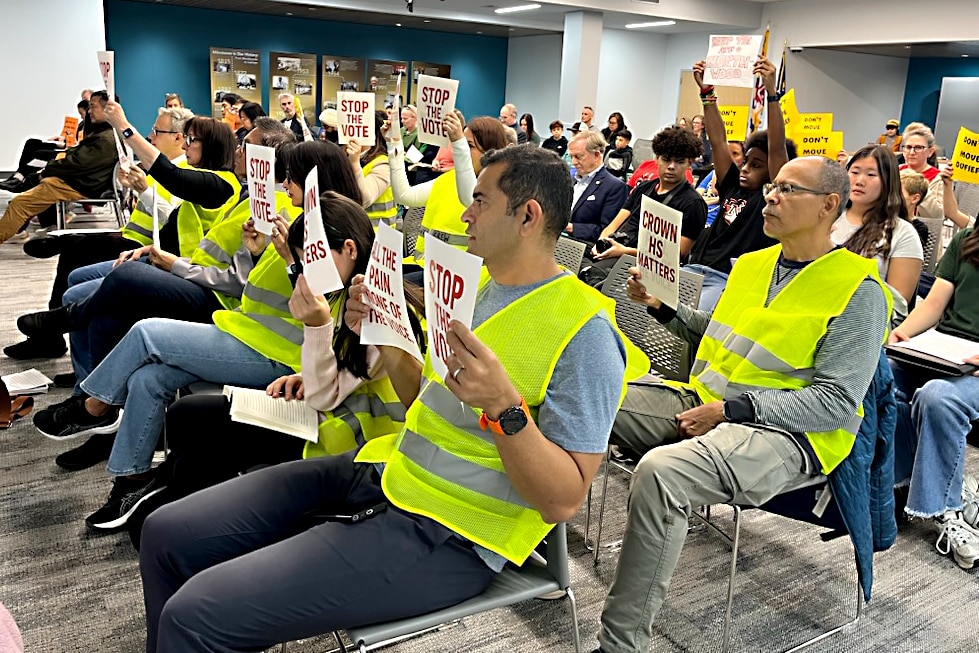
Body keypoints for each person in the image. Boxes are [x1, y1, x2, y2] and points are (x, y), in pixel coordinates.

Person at [137, 144, 644, 652]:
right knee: (164, 536)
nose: (465, 213)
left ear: (527, 216)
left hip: (453, 534)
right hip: (386, 476)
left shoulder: (586, 333)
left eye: (481, 201)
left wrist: (505, 409)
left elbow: (563, 499)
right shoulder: (479, 287)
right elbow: (420, 401)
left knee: (193, 617)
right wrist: (383, 335)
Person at [595, 156, 891, 653]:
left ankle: (620, 646)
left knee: (661, 474)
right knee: (584, 398)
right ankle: (523, 539)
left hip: (789, 437)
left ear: (828, 206)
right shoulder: (753, 265)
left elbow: (836, 403)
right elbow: (723, 336)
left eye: (787, 189)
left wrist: (734, 411)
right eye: (772, 186)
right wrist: (664, 308)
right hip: (706, 403)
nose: (770, 196)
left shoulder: (859, 291)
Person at [5, 106, 195, 361]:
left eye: (156, 131)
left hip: (147, 247)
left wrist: (143, 191)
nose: (151, 137)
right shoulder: (162, 168)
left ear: (178, 137)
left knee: (76, 255)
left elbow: (172, 220)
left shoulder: (183, 174)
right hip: (132, 237)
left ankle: (52, 331)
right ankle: (63, 245)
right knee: (75, 256)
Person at [889, 225, 979, 570]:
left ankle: (946, 507)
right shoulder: (967, 238)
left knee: (938, 397)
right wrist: (906, 333)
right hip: (945, 348)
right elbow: (937, 301)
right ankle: (896, 486)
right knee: (882, 374)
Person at [685, 56, 795, 311]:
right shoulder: (733, 186)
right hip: (693, 270)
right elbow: (718, 141)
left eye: (756, 166)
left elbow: (777, 148)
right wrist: (706, 92)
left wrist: (771, 94)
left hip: (727, 281)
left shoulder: (772, 196)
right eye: (745, 162)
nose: (745, 169)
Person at [584, 125, 706, 284]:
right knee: (568, 256)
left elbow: (676, 255)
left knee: (590, 275)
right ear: (657, 159)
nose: (671, 166)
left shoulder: (693, 203)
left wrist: (624, 251)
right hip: (617, 248)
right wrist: (601, 242)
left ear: (689, 164)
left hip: (646, 266)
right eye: (666, 159)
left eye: (679, 161)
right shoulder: (644, 188)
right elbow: (615, 224)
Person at [388, 113, 509, 265]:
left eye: (469, 146)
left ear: (491, 151)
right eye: (462, 145)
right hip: (427, 269)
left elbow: (471, 200)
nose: (460, 152)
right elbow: (404, 195)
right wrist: (394, 146)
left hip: (463, 278)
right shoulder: (449, 179)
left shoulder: (501, 190)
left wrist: (459, 143)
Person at [0, 91, 116, 244]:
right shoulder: (106, 135)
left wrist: (47, 170)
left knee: (19, 204)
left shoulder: (104, 139)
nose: (89, 112)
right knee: (33, 186)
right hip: (82, 182)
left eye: (92, 107)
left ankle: (17, 222)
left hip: (80, 185)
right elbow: (79, 158)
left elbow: (77, 163)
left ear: (107, 109)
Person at [831, 145, 923, 322]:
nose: (859, 181)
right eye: (854, 172)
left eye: (871, 175)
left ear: (888, 181)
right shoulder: (827, 217)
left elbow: (898, 304)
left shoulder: (902, 233)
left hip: (864, 321)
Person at [0, 98, 89, 193]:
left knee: (38, 153)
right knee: (32, 142)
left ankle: (19, 179)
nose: (81, 117)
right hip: (67, 147)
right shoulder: (82, 124)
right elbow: (74, 140)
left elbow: (82, 146)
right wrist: (62, 142)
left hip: (72, 153)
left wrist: (69, 146)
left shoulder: (92, 126)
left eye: (82, 114)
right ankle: (18, 175)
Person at [567, 130, 629, 244]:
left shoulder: (615, 187)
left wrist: (571, 227)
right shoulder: (570, 181)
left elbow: (607, 231)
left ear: (596, 155)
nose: (573, 162)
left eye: (578, 156)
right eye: (571, 156)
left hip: (585, 248)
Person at [345, 110, 396, 229]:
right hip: (355, 233)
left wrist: (354, 163)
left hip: (378, 236)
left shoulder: (383, 164)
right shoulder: (349, 157)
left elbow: (365, 200)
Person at [899, 122, 943, 220]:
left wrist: (920, 186)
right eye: (908, 147)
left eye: (918, 148)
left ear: (930, 152)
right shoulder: (896, 170)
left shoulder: (938, 178)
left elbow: (938, 215)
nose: (912, 152)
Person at [696, 141, 746, 226]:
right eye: (727, 153)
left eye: (735, 154)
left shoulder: (742, 181)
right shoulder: (712, 173)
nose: (730, 158)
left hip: (711, 222)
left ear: (744, 158)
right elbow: (697, 197)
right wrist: (716, 200)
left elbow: (716, 191)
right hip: (698, 216)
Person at [399, 104, 438, 183]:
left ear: (415, 118)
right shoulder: (401, 130)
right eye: (401, 118)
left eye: (405, 118)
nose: (402, 121)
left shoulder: (420, 134)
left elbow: (416, 154)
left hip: (410, 167)